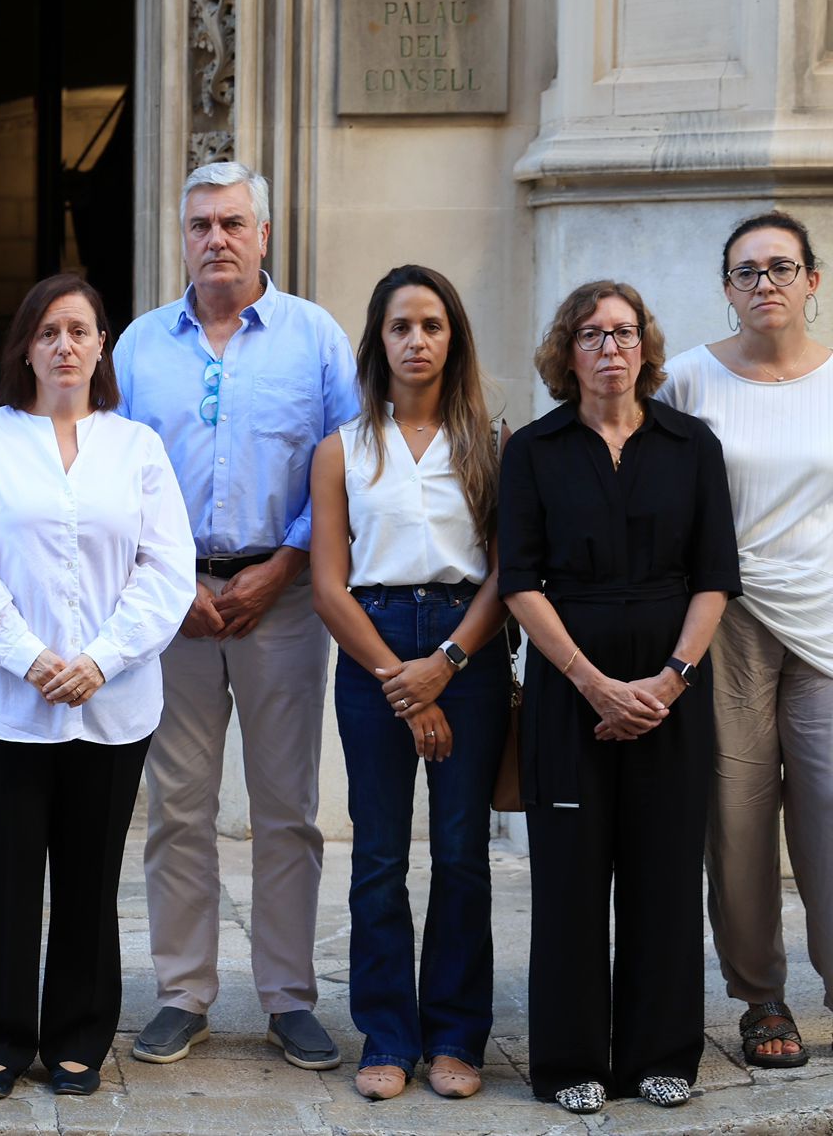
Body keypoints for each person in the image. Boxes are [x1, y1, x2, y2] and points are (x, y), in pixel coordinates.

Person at [110, 160, 358, 1071]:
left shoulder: (316, 340)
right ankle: (184, 992)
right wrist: (172, 584)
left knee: (288, 809)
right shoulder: (137, 347)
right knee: (177, 808)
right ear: (182, 236)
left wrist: (286, 562)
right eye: (201, 224)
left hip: (282, 601)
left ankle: (289, 996)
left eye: (232, 223)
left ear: (263, 235)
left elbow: (346, 465)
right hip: (169, 607)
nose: (216, 238)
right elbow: (114, 476)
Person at [0, 274, 194, 1100]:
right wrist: (27, 653)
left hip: (112, 706)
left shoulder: (137, 447)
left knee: (88, 879)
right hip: (4, 700)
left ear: (102, 344)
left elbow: (167, 567)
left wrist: (102, 659)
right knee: (3, 881)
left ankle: (80, 1033)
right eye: (48, 333)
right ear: (26, 349)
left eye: (79, 330)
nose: (65, 346)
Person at [500, 279, 737, 1114]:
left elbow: (715, 578)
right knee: (569, 881)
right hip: (573, 698)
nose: (611, 348)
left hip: (673, 695)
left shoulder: (691, 445)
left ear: (647, 348)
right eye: (593, 334)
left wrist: (670, 681)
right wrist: (595, 684)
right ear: (568, 352)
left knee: (666, 876)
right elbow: (520, 582)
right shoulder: (532, 450)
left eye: (625, 333)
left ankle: (660, 1055)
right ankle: (569, 1063)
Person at [308, 265, 509, 1101]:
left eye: (432, 325)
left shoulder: (489, 445)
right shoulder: (342, 450)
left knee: (463, 854)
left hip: (468, 644)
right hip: (374, 650)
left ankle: (458, 1037)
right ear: (378, 340)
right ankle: (387, 1035)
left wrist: (446, 666)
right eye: (401, 326)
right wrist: (400, 680)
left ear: (452, 337)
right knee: (380, 856)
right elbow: (327, 582)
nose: (417, 340)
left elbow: (508, 574)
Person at [656, 210, 833, 1070]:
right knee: (738, 815)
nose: (766, 283)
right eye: (746, 272)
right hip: (726, 620)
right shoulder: (687, 380)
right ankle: (762, 999)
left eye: (781, 267)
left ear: (814, 280)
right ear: (727, 290)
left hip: (830, 624)